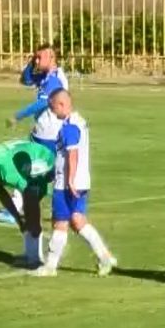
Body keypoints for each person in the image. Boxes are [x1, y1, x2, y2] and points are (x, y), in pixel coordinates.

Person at [36, 90, 117, 277]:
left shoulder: (69, 126)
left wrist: (70, 180)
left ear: (61, 104)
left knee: (60, 222)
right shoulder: (80, 120)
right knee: (77, 220)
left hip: (67, 183)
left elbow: (73, 153)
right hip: (82, 181)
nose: (52, 112)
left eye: (53, 108)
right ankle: (105, 257)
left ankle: (50, 266)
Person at [0, 44, 66, 225]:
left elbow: (41, 104)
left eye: (40, 57)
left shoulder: (54, 80)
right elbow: (25, 79)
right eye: (36, 57)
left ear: (51, 58)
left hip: (49, 136)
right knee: (38, 174)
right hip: (41, 134)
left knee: (35, 173)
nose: (37, 61)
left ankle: (17, 209)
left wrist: (17, 116)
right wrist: (32, 62)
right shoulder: (45, 76)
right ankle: (23, 206)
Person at [0, 138, 56, 269]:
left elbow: (28, 192)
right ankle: (30, 255)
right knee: (27, 217)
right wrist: (18, 220)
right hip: (26, 159)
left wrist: (30, 220)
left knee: (31, 213)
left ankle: (35, 259)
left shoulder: (8, 172)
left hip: (43, 160)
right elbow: (3, 196)